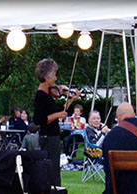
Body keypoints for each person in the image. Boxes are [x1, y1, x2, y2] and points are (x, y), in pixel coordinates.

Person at [33, 58, 79, 186]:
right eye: (54, 74)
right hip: (48, 138)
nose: (56, 78)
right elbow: (39, 119)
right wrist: (58, 115)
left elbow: (59, 112)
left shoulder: (48, 95)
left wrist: (72, 99)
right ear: (46, 77)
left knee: (54, 169)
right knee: (51, 171)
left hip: (53, 136)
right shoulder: (41, 95)